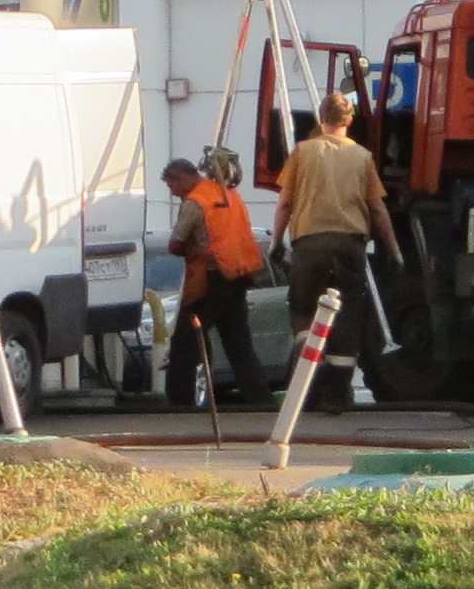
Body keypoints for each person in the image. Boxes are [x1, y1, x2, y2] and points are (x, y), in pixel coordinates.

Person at [273, 91, 399, 412]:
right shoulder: (363, 156)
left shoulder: (302, 152)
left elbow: (285, 203)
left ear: (321, 117)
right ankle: (338, 395)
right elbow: (377, 208)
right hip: (349, 244)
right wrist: (395, 250)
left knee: (303, 310)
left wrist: (275, 243)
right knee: (347, 314)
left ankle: (309, 387)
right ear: (350, 119)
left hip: (309, 243)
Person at [159, 154, 265, 408]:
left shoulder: (195, 202)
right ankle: (259, 400)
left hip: (210, 278)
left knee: (184, 341)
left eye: (172, 186)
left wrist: (190, 249)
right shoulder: (228, 193)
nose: (173, 193)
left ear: (182, 179)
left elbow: (176, 244)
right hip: (238, 273)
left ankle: (180, 402)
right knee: (238, 342)